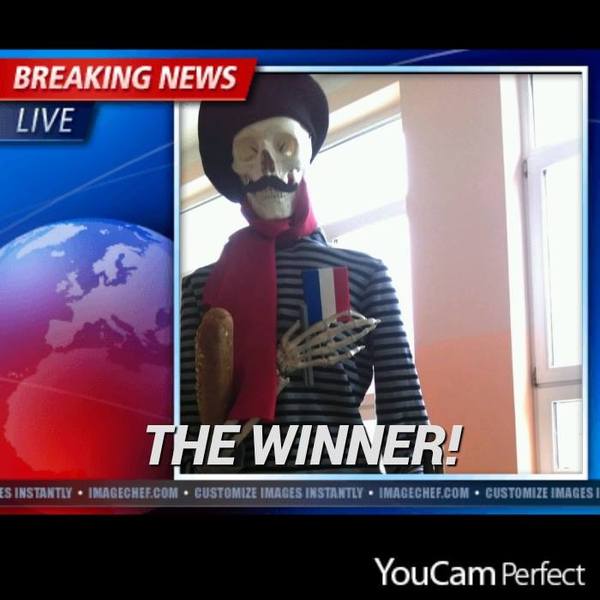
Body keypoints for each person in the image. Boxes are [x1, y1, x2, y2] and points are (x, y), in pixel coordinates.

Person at [180, 73, 429, 473]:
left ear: (307, 151)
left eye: (284, 146)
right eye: (249, 151)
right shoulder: (199, 290)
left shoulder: (366, 274)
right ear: (235, 169)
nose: (267, 166)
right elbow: (190, 425)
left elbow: (404, 415)